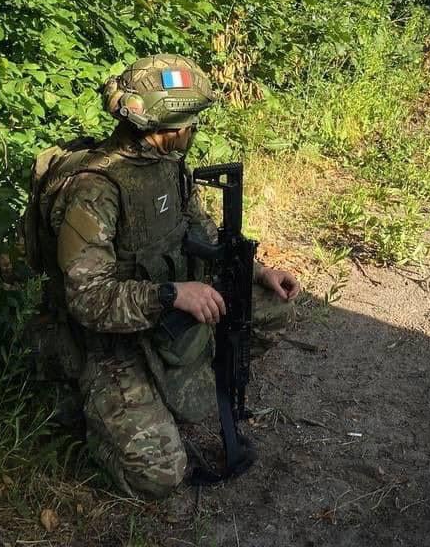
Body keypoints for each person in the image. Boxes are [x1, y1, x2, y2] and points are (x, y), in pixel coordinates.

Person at [23, 54, 300, 499]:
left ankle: (182, 381)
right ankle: (89, 408)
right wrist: (172, 295)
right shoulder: (96, 189)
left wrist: (259, 271)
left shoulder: (166, 165)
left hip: (163, 318)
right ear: (168, 127)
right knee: (160, 474)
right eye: (190, 123)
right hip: (109, 342)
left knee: (271, 305)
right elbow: (88, 299)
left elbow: (201, 230)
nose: (193, 131)